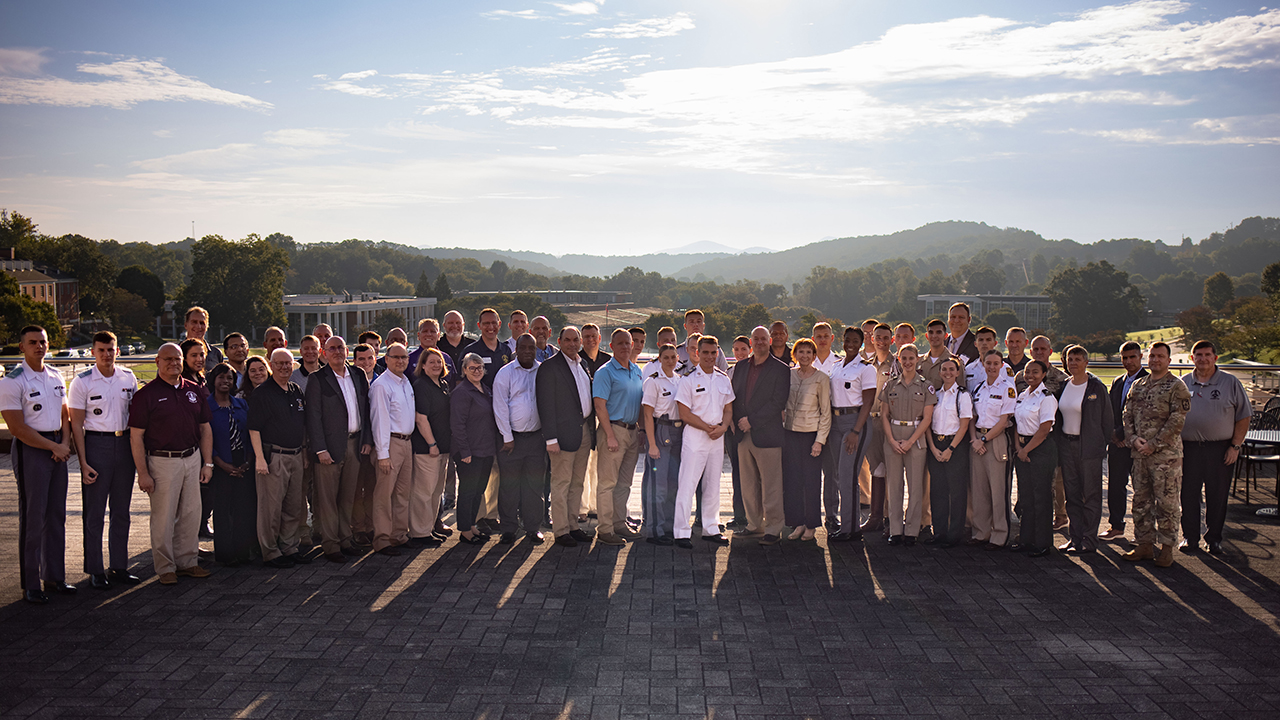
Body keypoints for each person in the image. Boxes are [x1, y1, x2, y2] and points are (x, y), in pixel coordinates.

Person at [127, 342, 214, 586]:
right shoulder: (146, 395)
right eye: (168, 359)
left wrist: (207, 463)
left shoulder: (194, 389)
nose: (174, 363)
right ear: (157, 362)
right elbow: (136, 436)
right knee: (163, 517)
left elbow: (205, 428)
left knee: (191, 513)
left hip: (192, 457)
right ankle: (165, 567)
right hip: (162, 461)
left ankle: (188, 562)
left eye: (177, 359)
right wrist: (142, 473)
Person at [1, 325, 74, 603]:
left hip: (58, 446)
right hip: (32, 449)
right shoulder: (13, 381)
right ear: (22, 347)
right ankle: (31, 582)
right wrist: (54, 446)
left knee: (57, 515)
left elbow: (65, 414)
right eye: (32, 342)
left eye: (43, 342)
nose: (39, 347)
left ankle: (55, 577)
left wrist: (64, 443)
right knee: (33, 517)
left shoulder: (55, 376)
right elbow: (17, 428)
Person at [68, 331, 139, 590]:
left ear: (117, 351)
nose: (107, 354)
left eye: (111, 349)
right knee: (95, 513)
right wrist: (83, 462)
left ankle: (119, 565)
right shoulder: (82, 381)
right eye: (101, 350)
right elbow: (76, 424)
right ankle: (95, 569)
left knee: (122, 511)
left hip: (124, 444)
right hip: (96, 445)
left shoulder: (128, 378)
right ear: (92, 353)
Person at [1121, 341, 1191, 569]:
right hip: (1140, 455)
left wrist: (1153, 444)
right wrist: (1133, 439)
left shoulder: (1176, 386)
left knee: (1167, 504)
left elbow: (1176, 421)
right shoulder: (1139, 384)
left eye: (1160, 356)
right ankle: (1144, 545)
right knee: (1141, 501)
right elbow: (1127, 414)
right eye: (1152, 356)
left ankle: (1167, 549)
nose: (1155, 360)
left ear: (1169, 360)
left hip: (1165, 458)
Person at [1178, 340, 1250, 555]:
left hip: (1220, 449)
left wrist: (1235, 446)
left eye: (1207, 354)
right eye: (1198, 355)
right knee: (1188, 494)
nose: (1203, 359)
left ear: (1215, 358)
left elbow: (1244, 416)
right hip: (1188, 449)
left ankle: (1214, 539)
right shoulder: (1182, 383)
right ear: (1192, 358)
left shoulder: (1230, 382)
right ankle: (1190, 537)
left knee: (1217, 495)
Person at [305, 335, 373, 563]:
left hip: (355, 444)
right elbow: (313, 418)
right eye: (331, 348)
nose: (336, 352)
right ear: (324, 353)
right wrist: (320, 449)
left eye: (340, 347)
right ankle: (331, 545)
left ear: (346, 350)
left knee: (348, 497)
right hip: (329, 449)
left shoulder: (358, 375)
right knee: (327, 499)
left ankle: (346, 539)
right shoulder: (318, 379)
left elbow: (366, 410)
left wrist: (367, 439)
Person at [248, 348, 311, 569]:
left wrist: (303, 452)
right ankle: (271, 551)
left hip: (296, 456)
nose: (284, 367)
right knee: (271, 508)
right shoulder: (262, 393)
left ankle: (289, 547)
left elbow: (302, 426)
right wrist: (260, 459)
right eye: (279, 363)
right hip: (273, 456)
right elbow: (254, 429)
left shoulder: (295, 390)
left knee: (293, 506)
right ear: (271, 364)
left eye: (288, 363)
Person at [537, 326, 596, 547]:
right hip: (560, 436)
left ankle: (573, 526)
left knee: (577, 483)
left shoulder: (583, 364)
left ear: (580, 342)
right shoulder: (549, 367)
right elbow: (545, 405)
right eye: (568, 340)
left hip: (583, 432)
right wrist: (550, 438)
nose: (572, 344)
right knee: (561, 483)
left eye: (575, 340)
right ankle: (561, 531)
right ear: (559, 341)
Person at [674, 335, 735, 548]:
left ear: (717, 353)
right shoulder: (688, 379)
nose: (709, 356)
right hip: (696, 436)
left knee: (713, 484)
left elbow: (728, 409)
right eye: (705, 352)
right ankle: (681, 531)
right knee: (687, 484)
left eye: (713, 352)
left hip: (717, 436)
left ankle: (711, 528)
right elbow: (684, 412)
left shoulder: (723, 379)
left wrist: (724, 427)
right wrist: (707, 428)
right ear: (697, 353)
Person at [1055, 345, 1114, 555]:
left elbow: (1107, 420)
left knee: (1091, 495)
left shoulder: (1096, 387)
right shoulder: (1063, 386)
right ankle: (1075, 539)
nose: (1073, 362)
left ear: (1086, 362)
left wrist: (1100, 444)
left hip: (1089, 449)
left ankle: (1090, 539)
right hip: (1066, 446)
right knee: (1072, 495)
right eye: (1070, 359)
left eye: (1078, 359)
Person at [493, 334, 547, 545]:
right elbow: (499, 407)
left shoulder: (543, 370)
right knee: (509, 486)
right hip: (511, 440)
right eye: (523, 347)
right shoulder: (505, 373)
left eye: (531, 347)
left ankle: (533, 528)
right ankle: (508, 528)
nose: (527, 351)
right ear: (516, 349)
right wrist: (507, 437)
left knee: (534, 487)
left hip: (536, 439)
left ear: (536, 349)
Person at [879, 344, 935, 546]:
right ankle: (895, 529)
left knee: (916, 487)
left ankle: (912, 530)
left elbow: (927, 418)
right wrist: (892, 440)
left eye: (911, 358)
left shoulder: (925, 385)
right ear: (899, 360)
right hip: (893, 436)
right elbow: (884, 415)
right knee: (894, 486)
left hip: (916, 437)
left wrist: (911, 441)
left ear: (917, 360)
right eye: (904, 358)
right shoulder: (890, 384)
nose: (908, 362)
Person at [593, 328, 644, 546]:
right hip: (612, 431)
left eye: (628, 343)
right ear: (611, 346)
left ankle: (619, 523)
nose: (625, 347)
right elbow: (599, 405)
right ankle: (605, 529)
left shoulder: (636, 370)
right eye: (620, 343)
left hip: (632, 432)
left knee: (624, 483)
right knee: (607, 483)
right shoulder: (605, 372)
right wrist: (610, 435)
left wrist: (640, 431)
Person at [827, 327, 878, 542]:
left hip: (855, 422)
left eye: (855, 341)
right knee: (840, 475)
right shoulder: (836, 366)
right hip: (835, 422)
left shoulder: (866, 368)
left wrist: (856, 431)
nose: (850, 344)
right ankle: (849, 525)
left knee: (848, 477)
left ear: (861, 342)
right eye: (847, 340)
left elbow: (868, 402)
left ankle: (850, 529)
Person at [205, 363, 256, 566]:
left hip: (243, 463)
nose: (225, 381)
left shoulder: (241, 405)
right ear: (213, 380)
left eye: (229, 378)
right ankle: (226, 554)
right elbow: (205, 438)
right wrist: (220, 463)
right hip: (220, 465)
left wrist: (248, 461)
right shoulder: (207, 407)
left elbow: (251, 433)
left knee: (243, 509)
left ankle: (243, 551)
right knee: (223, 511)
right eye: (221, 377)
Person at [1016, 335, 1069, 528]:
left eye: (1043, 349)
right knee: (1029, 488)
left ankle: (1058, 518)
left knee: (1053, 484)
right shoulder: (1021, 378)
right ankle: (1030, 525)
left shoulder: (1062, 378)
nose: (1039, 352)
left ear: (1050, 351)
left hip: (1050, 438)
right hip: (1025, 438)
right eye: (1035, 349)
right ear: (1030, 352)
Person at [781, 338, 830, 542]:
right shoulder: (789, 375)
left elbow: (826, 412)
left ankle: (811, 525)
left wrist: (819, 441)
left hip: (811, 434)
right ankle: (798, 523)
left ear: (814, 355)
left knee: (811, 481)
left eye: (809, 352)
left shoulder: (821, 378)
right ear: (795, 354)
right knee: (793, 481)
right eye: (800, 352)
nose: (804, 356)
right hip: (790, 433)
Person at [368, 342, 415, 556]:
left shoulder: (405, 381)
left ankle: (399, 535)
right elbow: (380, 421)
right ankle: (382, 539)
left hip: (407, 443)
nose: (400, 361)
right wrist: (383, 455)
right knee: (384, 495)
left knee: (402, 493)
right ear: (386, 359)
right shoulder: (382, 385)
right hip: (390, 443)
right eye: (395, 357)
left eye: (404, 357)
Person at [969, 349, 1016, 550]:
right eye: (988, 363)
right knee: (979, 490)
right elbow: (971, 417)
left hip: (995, 441)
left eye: (996, 363)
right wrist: (974, 439)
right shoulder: (979, 388)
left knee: (998, 490)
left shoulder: (1007, 388)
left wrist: (985, 438)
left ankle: (999, 534)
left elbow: (1004, 420)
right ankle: (981, 532)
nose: (991, 367)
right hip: (977, 440)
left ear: (1002, 365)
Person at [1012, 360, 1059, 558]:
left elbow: (1044, 429)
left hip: (1040, 449)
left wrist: (1026, 450)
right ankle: (1026, 539)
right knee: (1026, 497)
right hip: (1022, 447)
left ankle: (1042, 543)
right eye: (1027, 371)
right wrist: (1018, 447)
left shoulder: (1046, 397)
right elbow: (1016, 424)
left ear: (1044, 374)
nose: (1030, 375)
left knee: (1041, 497)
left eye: (1035, 372)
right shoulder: (1022, 395)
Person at [452, 353, 498, 545]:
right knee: (467, 492)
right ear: (464, 370)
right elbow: (457, 425)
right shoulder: (461, 392)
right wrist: (465, 452)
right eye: (472, 368)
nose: (477, 371)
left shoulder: (484, 389)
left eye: (479, 368)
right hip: (469, 452)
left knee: (478, 491)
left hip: (485, 450)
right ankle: (464, 531)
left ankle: (472, 526)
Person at [1103, 341, 1146, 541]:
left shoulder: (1149, 381)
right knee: (1116, 485)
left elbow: (1145, 415)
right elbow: (1111, 410)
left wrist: (1124, 435)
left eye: (1132, 357)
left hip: (1139, 445)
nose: (1128, 361)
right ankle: (1116, 526)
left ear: (1140, 357)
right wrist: (1113, 434)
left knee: (1142, 488)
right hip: (1117, 444)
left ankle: (1143, 532)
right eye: (1125, 358)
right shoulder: (1118, 381)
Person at [927, 358, 972, 548]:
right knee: (937, 491)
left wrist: (950, 449)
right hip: (935, 444)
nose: (947, 372)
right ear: (939, 372)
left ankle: (954, 534)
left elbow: (964, 425)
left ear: (957, 372)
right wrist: (933, 448)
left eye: (951, 369)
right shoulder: (934, 395)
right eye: (944, 369)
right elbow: (927, 423)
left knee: (957, 492)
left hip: (956, 445)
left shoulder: (963, 396)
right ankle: (939, 532)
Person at [642, 343, 683, 545]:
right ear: (659, 359)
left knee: (673, 483)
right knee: (658, 486)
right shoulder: (653, 382)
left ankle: (668, 527)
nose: (670, 361)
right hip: (660, 431)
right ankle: (654, 531)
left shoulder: (679, 380)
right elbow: (648, 415)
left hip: (678, 433)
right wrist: (652, 444)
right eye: (666, 357)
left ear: (677, 358)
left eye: (673, 357)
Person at [411, 347, 452, 544]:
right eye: (432, 362)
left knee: (436, 492)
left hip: (442, 448)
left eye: (439, 361)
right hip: (428, 449)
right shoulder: (421, 386)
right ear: (423, 365)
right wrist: (432, 443)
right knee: (423, 492)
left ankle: (428, 528)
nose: (436, 365)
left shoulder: (442, 384)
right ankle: (419, 533)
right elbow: (420, 418)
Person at [859, 323, 896, 536]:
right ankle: (876, 517)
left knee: (892, 470)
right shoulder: (866, 365)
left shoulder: (898, 364)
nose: (881, 341)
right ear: (871, 339)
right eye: (877, 337)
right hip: (871, 422)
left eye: (885, 338)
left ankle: (891, 517)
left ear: (892, 340)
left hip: (890, 423)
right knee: (877, 469)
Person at [290, 334, 323, 549]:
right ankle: (303, 532)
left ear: (320, 351)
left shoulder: (328, 374)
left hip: (324, 443)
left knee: (321, 491)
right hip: (302, 442)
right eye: (306, 349)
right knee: (301, 490)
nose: (310, 352)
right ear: (300, 352)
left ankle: (320, 528)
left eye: (314, 348)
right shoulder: (293, 377)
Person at [350, 343, 380, 544]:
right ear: (354, 361)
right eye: (361, 359)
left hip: (381, 444)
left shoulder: (382, 379)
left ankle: (371, 525)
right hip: (359, 443)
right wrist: (367, 440)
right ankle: (358, 528)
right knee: (356, 488)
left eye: (370, 358)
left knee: (373, 488)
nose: (366, 363)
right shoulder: (351, 381)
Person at [724, 335, 751, 531]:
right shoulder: (728, 373)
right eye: (736, 349)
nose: (740, 353)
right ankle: (739, 514)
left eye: (743, 349)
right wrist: (731, 422)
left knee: (753, 474)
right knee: (737, 473)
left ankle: (754, 515)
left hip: (753, 427)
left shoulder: (755, 371)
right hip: (733, 430)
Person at [462, 308, 512, 388]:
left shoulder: (506, 350)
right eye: (486, 323)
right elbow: (460, 381)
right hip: (478, 399)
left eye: (494, 323)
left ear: (499, 324)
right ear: (479, 325)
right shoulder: (470, 352)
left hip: (503, 399)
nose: (491, 327)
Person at [916, 319, 954, 392]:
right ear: (927, 336)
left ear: (945, 336)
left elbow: (959, 393)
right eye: (931, 332)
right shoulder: (918, 361)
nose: (934, 336)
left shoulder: (955, 362)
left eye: (938, 332)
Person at [185, 306, 224, 371]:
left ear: (207, 326)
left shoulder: (216, 354)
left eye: (202, 323)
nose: (198, 326)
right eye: (194, 322)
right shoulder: (176, 351)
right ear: (186, 325)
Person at [963, 327, 1002, 393]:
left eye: (988, 340)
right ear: (975, 344)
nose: (984, 343)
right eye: (981, 340)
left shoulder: (1003, 368)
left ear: (995, 343)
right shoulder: (968, 369)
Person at [945, 302, 978, 367]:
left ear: (969, 320)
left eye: (961, 317)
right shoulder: (941, 342)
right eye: (953, 317)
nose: (956, 320)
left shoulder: (977, 344)